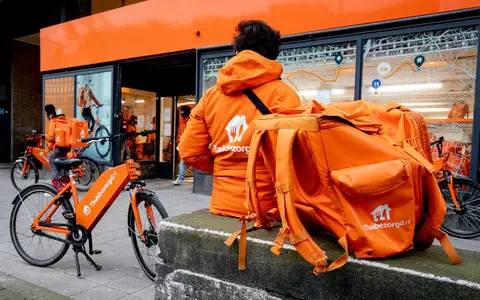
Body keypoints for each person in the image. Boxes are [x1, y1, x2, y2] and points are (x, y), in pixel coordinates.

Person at [178, 20, 301, 218]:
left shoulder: (211, 96)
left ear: (237, 51)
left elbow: (189, 152)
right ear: (273, 56)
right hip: (268, 211)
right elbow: (297, 157)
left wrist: (225, 166)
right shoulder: (284, 95)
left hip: (222, 206)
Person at [44, 104, 71, 180]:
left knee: (54, 166)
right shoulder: (63, 121)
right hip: (65, 148)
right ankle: (65, 186)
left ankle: (57, 187)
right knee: (62, 168)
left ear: (48, 113)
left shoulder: (53, 122)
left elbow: (51, 138)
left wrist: (44, 137)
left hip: (56, 149)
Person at [173, 106, 191, 185]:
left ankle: (180, 178)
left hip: (190, 144)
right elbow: (180, 133)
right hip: (183, 144)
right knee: (183, 161)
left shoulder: (191, 121)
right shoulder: (182, 122)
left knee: (183, 161)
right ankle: (180, 178)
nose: (181, 113)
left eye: (182, 111)